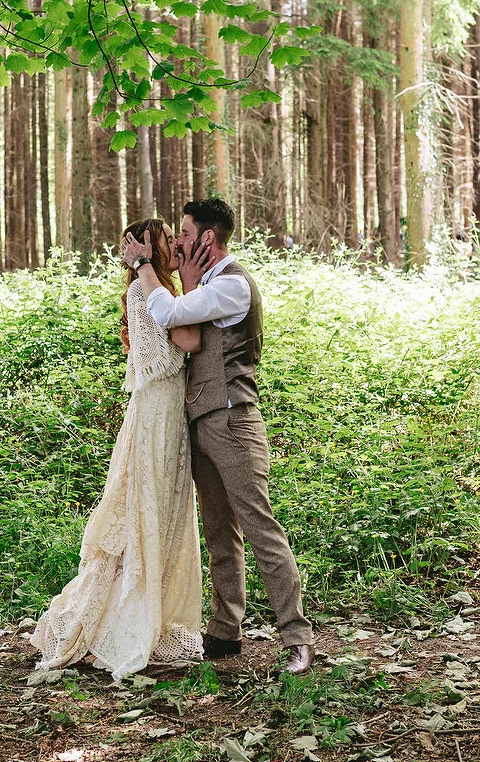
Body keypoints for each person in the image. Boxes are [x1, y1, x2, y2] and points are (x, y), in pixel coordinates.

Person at [122, 198, 314, 675]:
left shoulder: (232, 286)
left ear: (207, 238)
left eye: (184, 234)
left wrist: (145, 264)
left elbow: (168, 313)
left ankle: (298, 640)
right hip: (198, 421)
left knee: (260, 529)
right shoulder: (204, 284)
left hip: (232, 421)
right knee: (219, 534)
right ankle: (225, 632)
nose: (180, 243)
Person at [29, 219, 206, 680]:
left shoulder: (164, 289)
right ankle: (118, 617)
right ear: (145, 249)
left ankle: (163, 613)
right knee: (141, 507)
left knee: (167, 510)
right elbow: (163, 360)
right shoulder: (140, 293)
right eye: (166, 240)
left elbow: (182, 340)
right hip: (154, 411)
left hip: (173, 414)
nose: (173, 246)